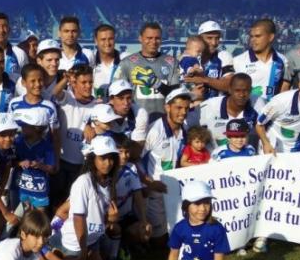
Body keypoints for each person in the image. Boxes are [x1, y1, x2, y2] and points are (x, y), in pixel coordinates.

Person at [50, 136, 120, 260]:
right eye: (103, 158)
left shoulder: (109, 182)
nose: (108, 163)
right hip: (75, 241)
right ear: (92, 158)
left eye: (111, 158)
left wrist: (112, 219)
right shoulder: (83, 182)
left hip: (92, 240)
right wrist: (82, 250)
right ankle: (43, 257)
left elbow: (102, 216)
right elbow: (78, 217)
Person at [255, 85, 300, 253]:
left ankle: (292, 229)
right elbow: (259, 124)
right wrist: (267, 144)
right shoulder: (281, 102)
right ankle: (262, 235)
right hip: (273, 145)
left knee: (292, 191)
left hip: (296, 147)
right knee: (270, 190)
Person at [142, 87, 191, 243]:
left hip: (176, 189)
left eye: (186, 108)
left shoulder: (185, 129)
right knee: (158, 237)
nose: (183, 112)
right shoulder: (154, 131)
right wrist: (149, 183)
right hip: (155, 191)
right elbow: (136, 159)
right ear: (167, 107)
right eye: (178, 108)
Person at [51, 64, 96, 207]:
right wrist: (65, 79)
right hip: (62, 161)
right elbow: (55, 92)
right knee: (56, 201)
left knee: (74, 203)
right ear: (74, 83)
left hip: (82, 166)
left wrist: (92, 126)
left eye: (90, 82)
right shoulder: (68, 98)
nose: (88, 86)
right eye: (83, 82)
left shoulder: (98, 105)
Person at [120, 22, 181, 121]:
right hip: (137, 121)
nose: (153, 41)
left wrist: (156, 84)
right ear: (140, 38)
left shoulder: (171, 62)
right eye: (149, 38)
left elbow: (176, 94)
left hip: (164, 120)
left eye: (157, 38)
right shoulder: (127, 63)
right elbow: (120, 95)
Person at [233, 18, 290, 111]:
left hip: (272, 116)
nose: (253, 40)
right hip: (246, 116)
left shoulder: (282, 61)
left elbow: (284, 92)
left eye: (258, 36)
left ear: (271, 37)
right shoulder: (238, 61)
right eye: (251, 36)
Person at [9, 63, 60, 164]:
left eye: (40, 80)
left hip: (41, 161)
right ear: (23, 83)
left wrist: (56, 161)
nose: (37, 84)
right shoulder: (14, 103)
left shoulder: (49, 106)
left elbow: (55, 137)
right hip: (19, 159)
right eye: (33, 81)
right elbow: (10, 131)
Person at [194, 73, 258, 149]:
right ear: (230, 90)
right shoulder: (209, 106)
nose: (241, 95)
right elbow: (186, 122)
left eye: (245, 90)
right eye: (237, 90)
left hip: (249, 158)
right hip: (216, 158)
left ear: (250, 90)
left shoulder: (259, 105)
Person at [12, 108, 55, 214]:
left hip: (39, 193)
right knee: (16, 222)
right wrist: (19, 163)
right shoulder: (17, 141)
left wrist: (39, 165)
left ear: (36, 128)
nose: (21, 127)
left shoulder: (47, 146)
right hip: (19, 190)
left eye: (25, 125)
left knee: (37, 224)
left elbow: (52, 169)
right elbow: (9, 162)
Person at [183, 21, 235, 99]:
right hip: (192, 108)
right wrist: (191, 94)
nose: (214, 43)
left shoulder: (224, 56)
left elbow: (229, 85)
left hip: (216, 108)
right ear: (199, 38)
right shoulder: (188, 57)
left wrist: (204, 79)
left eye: (217, 38)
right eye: (209, 38)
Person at [107, 80, 149, 145]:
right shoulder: (100, 114)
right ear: (111, 100)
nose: (126, 103)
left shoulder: (140, 113)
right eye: (121, 98)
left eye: (129, 98)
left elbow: (137, 148)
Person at [92, 24, 124, 101]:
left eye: (110, 39)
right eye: (103, 39)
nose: (107, 43)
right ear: (96, 41)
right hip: (96, 108)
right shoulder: (90, 60)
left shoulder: (124, 59)